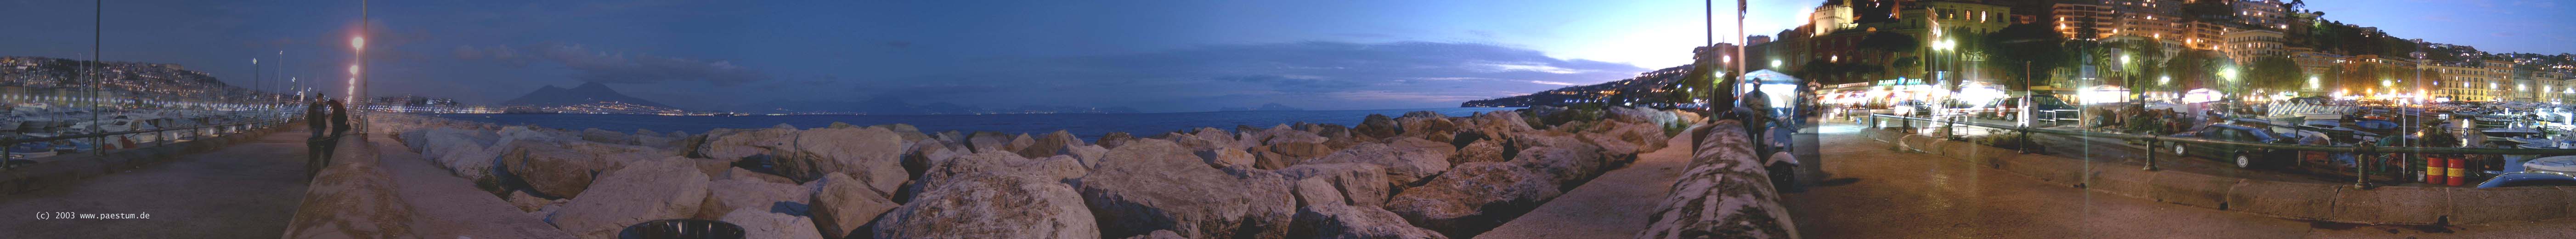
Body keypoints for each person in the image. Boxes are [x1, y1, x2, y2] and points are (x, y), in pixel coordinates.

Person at [304, 95, 330, 179]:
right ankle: (314, 160)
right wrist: (311, 126)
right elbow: (310, 116)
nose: (323, 100)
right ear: (319, 99)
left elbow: (323, 117)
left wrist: (325, 126)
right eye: (322, 99)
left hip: (321, 128)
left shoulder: (322, 107)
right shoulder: (313, 106)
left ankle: (319, 159)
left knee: (321, 144)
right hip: (315, 127)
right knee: (315, 144)